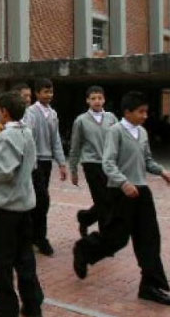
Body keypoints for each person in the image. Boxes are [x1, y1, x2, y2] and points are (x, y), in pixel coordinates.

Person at [73, 91, 170, 306]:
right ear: (127, 112)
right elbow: (108, 163)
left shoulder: (142, 132)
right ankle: (84, 250)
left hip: (141, 192)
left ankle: (150, 286)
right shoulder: (115, 131)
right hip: (120, 193)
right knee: (116, 239)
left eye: (146, 111)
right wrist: (124, 183)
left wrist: (162, 172)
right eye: (141, 112)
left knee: (149, 239)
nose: (145, 115)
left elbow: (147, 160)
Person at [0, 91, 43, 317]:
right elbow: (32, 164)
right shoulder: (27, 131)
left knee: (2, 259)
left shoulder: (7, 135)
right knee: (24, 257)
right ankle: (32, 302)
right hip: (25, 204)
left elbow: (4, 172)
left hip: (7, 206)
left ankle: (5, 307)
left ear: (5, 112)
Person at [24, 78, 67, 256]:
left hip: (46, 162)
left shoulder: (53, 114)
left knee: (40, 201)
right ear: (37, 93)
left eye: (51, 92)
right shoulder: (30, 113)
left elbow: (55, 139)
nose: (49, 95)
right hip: (34, 162)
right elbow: (28, 138)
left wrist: (62, 163)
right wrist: (31, 163)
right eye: (45, 92)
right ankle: (37, 238)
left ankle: (36, 237)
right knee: (41, 200)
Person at [68, 86, 118, 238]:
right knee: (102, 200)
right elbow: (75, 146)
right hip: (91, 164)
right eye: (93, 98)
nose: (97, 101)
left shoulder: (111, 118)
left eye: (100, 98)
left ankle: (85, 218)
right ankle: (105, 237)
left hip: (109, 164)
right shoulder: (81, 120)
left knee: (110, 200)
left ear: (104, 99)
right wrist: (73, 170)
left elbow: (119, 140)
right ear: (87, 101)